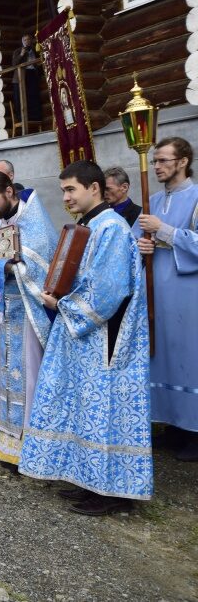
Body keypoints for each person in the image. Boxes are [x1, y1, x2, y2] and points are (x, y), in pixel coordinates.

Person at [17, 160, 152, 515]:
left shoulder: (111, 228)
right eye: (63, 190)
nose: (65, 197)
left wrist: (61, 302)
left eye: (70, 189)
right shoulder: (88, 224)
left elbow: (108, 291)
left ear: (95, 188)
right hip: (82, 334)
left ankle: (112, 492)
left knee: (102, 408)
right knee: (83, 406)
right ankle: (88, 480)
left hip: (104, 337)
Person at [0, 171, 57, 467]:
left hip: (30, 316)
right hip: (8, 314)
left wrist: (4, 266)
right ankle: (10, 445)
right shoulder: (3, 224)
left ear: (9, 192)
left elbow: (40, 268)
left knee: (29, 382)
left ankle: (33, 450)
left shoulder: (36, 223)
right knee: (9, 382)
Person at [134, 136, 198, 461]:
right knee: (163, 356)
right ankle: (170, 426)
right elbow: (133, 241)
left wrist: (166, 232)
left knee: (189, 357)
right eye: (155, 161)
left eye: (163, 160)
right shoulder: (152, 200)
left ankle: (195, 432)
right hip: (154, 292)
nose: (156, 166)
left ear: (183, 161)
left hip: (188, 294)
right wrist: (140, 246)